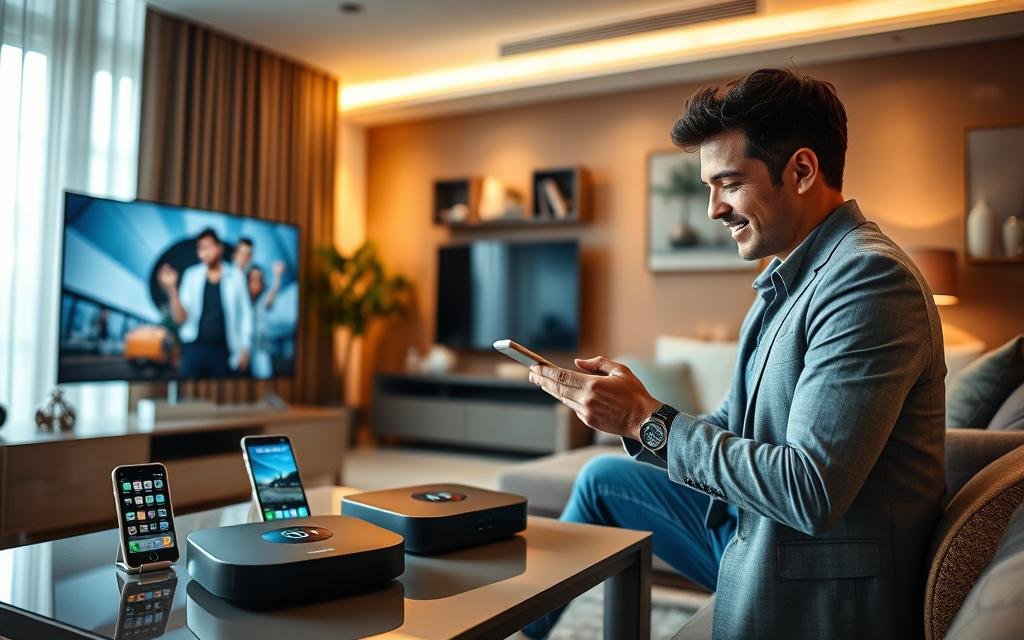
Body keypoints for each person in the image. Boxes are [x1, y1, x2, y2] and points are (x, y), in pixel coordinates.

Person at [525, 68, 945, 639]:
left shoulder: (868, 280)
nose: (713, 210)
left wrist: (644, 419)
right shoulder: (788, 279)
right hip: (754, 527)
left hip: (815, 574)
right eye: (708, 187)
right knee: (603, 478)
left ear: (801, 170)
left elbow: (810, 491)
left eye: (729, 183)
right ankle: (524, 629)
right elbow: (733, 423)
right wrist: (641, 412)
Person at [158, 228, 253, 378]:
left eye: (208, 247)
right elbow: (180, 318)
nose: (205, 252)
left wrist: (245, 348)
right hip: (193, 349)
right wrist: (172, 289)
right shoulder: (191, 276)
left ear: (219, 248)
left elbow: (246, 314)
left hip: (224, 350)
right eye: (201, 248)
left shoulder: (236, 276)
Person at [247, 261, 286, 379]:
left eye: (259, 279)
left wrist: (278, 276)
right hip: (243, 348)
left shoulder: (263, 298)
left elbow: (273, 291)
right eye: (253, 279)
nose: (256, 283)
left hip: (260, 346)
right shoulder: (241, 296)